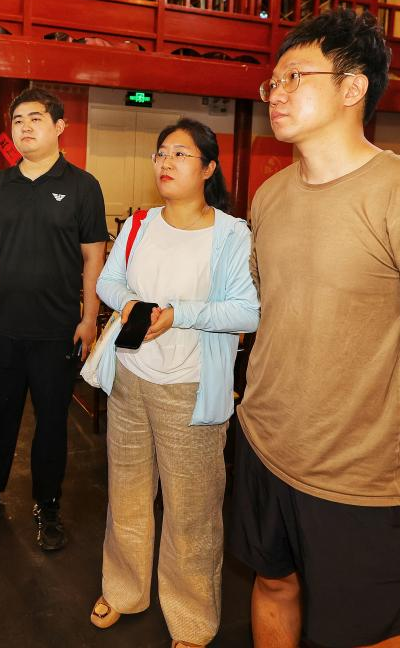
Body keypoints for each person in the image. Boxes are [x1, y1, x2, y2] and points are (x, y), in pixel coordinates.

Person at [228, 8, 400, 648]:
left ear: (353, 87)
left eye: (295, 77)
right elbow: (270, 303)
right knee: (272, 584)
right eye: (272, 82)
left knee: (365, 634)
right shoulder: (270, 195)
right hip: (262, 439)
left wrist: (367, 395)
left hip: (354, 472)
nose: (275, 93)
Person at [90, 118, 259, 648]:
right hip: (130, 378)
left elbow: (246, 311)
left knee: (192, 511)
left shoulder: (230, 233)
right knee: (127, 496)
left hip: (189, 388)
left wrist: (178, 314)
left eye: (180, 154)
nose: (166, 162)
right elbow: (107, 281)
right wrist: (131, 304)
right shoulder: (141, 223)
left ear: (208, 169)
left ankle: (191, 619)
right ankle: (124, 591)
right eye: (162, 153)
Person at [0, 87, 108, 551]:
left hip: (57, 330)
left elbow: (94, 257)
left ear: (59, 127)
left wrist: (90, 318)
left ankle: (48, 507)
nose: (24, 127)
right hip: (0, 327)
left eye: (35, 118)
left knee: (52, 425)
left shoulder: (83, 186)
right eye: (17, 120)